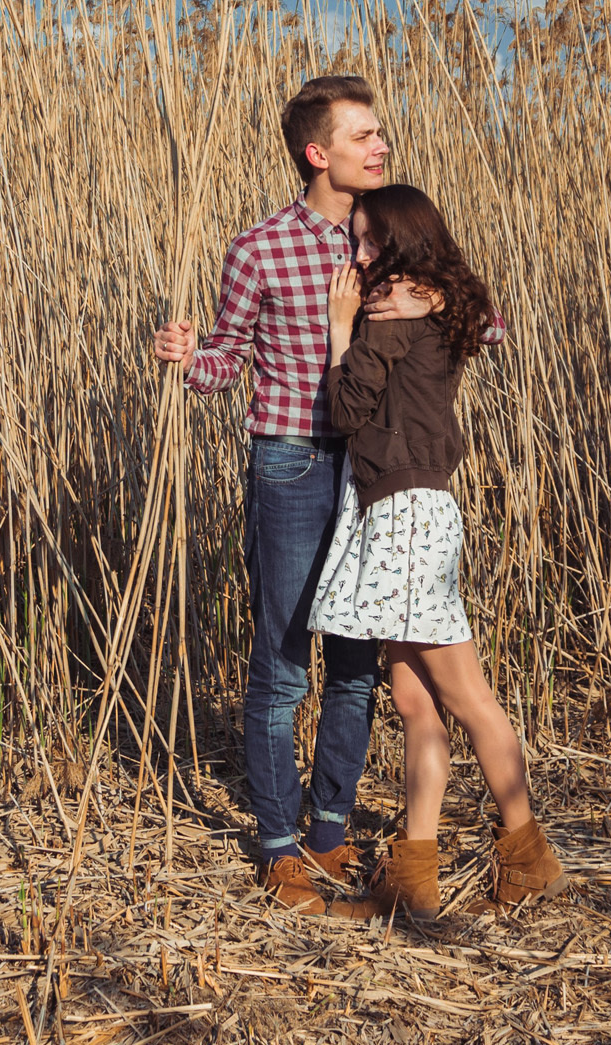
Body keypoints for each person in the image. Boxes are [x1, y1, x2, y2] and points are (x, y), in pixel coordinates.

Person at [150, 75, 434, 914]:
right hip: (292, 464)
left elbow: (476, 321)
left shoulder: (395, 237)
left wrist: (439, 300)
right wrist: (183, 353)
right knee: (281, 672)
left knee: (354, 667)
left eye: (380, 133)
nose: (381, 145)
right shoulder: (260, 247)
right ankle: (278, 846)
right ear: (319, 152)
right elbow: (223, 363)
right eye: (364, 136)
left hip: (375, 470)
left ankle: (331, 831)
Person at [314, 183, 568, 919]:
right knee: (414, 700)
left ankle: (528, 857)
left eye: (367, 243)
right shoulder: (429, 301)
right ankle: (413, 879)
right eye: (355, 241)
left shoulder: (391, 308)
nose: (357, 258)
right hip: (409, 511)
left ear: (398, 247)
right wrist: (445, 302)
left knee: (466, 698)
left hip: (405, 516)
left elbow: (344, 408)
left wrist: (341, 331)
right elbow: (490, 321)